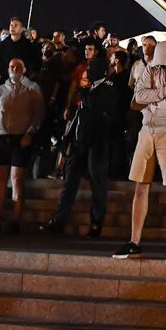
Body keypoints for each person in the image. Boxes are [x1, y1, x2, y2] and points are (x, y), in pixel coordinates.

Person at [113, 40, 166, 263]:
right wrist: (165, 92)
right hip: (147, 129)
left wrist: (154, 99)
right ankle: (134, 241)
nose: (161, 68)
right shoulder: (151, 68)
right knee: (140, 185)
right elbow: (138, 98)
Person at [47, 40, 128, 236]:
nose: (83, 75)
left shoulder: (107, 90)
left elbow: (108, 114)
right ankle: (59, 221)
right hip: (80, 142)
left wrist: (87, 97)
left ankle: (96, 223)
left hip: (98, 143)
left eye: (88, 73)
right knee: (69, 182)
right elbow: (78, 116)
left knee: (97, 182)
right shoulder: (86, 91)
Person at [0, 57, 44, 232]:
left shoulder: (32, 89)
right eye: (11, 66)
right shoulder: (1, 89)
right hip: (1, 137)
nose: (13, 69)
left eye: (17, 67)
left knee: (16, 179)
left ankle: (16, 219)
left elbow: (38, 114)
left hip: (20, 139)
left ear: (24, 69)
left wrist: (30, 133)